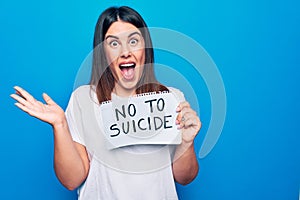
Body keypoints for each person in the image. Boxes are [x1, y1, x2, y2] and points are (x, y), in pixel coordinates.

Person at [10, 6, 201, 200]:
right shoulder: (83, 99)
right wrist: (60, 125)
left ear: (145, 47)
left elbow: (185, 178)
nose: (125, 51)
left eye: (133, 41)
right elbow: (71, 180)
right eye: (114, 43)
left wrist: (186, 141)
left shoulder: (171, 99)